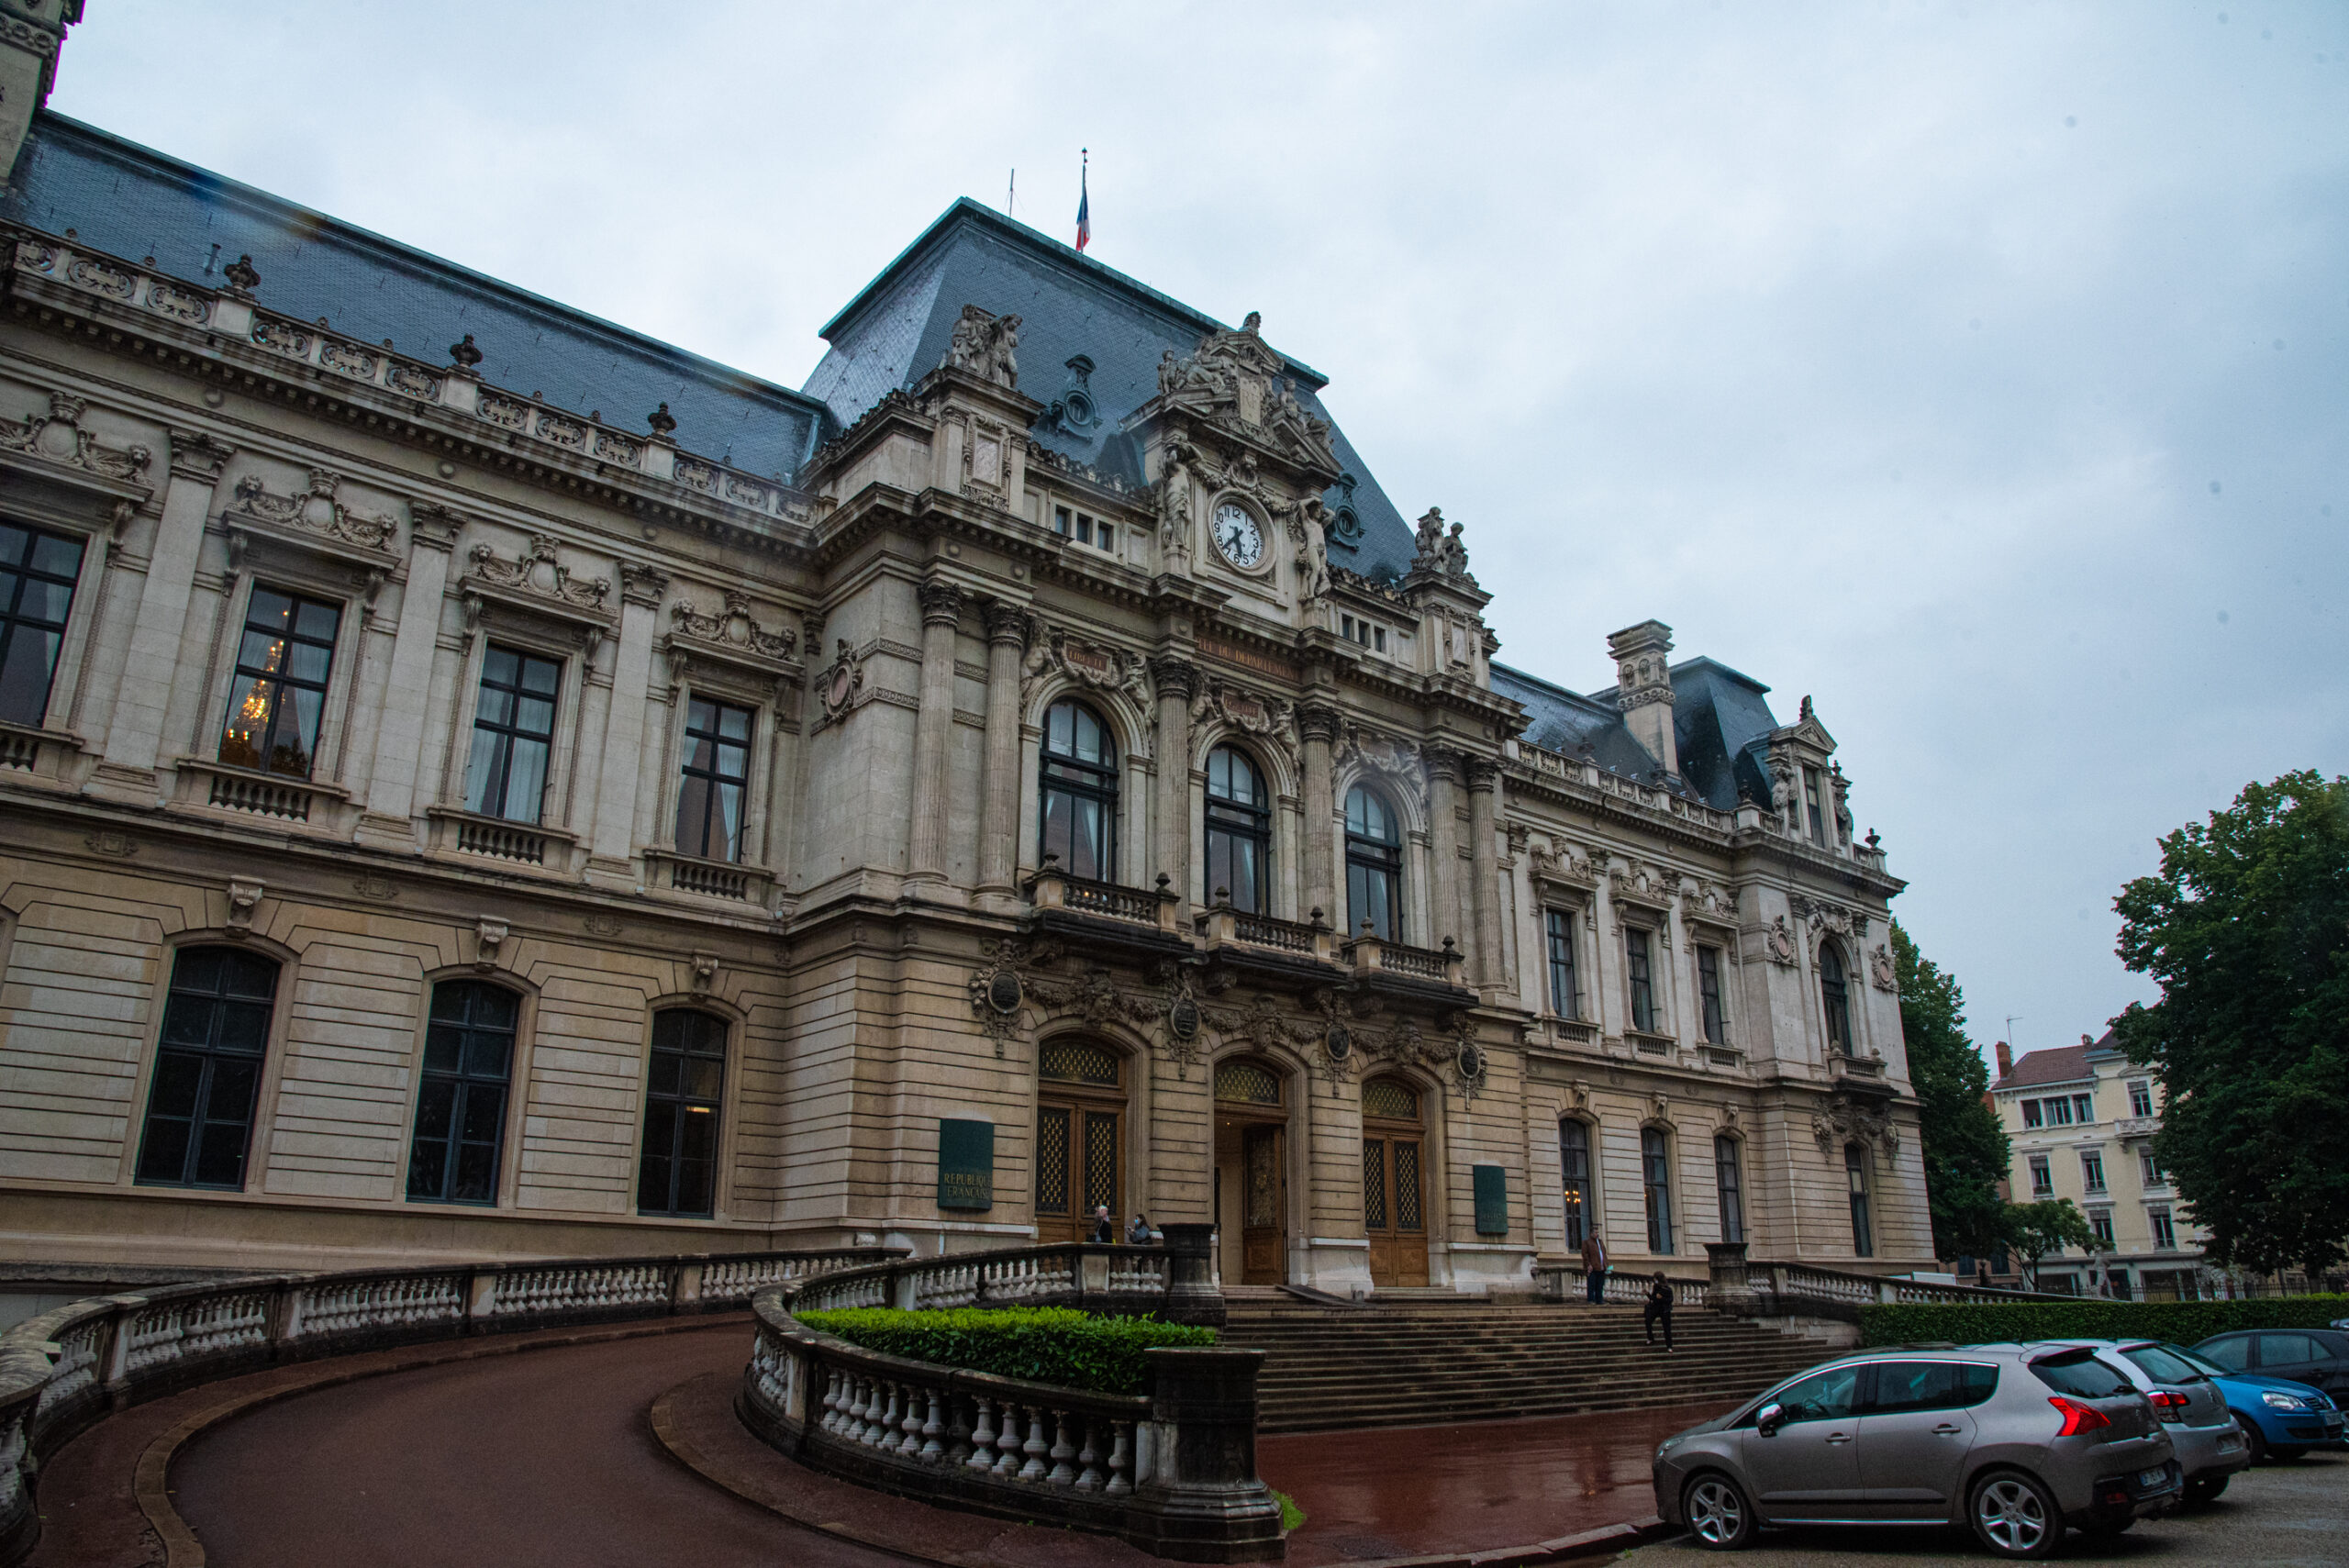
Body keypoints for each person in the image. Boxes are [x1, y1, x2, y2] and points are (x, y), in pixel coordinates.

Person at [1644, 1273, 1675, 1351]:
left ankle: (1669, 1346)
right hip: (1656, 1309)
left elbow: (1670, 1300)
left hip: (1665, 1310)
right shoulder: (1656, 1287)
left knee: (1667, 1328)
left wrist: (1662, 1298)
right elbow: (1653, 1298)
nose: (1655, 1281)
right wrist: (1648, 1294)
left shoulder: (1667, 1289)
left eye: (1656, 1279)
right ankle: (1650, 1338)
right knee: (1648, 1321)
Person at [1580, 1230, 1609, 1306]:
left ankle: (1599, 1299)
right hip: (1593, 1267)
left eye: (1598, 1232)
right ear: (1591, 1234)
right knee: (1592, 1284)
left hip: (1601, 1267)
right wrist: (1588, 1265)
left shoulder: (1600, 1242)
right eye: (1595, 1232)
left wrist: (1606, 1265)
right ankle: (1591, 1299)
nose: (1597, 1234)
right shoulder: (1587, 1242)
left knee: (1600, 1285)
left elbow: (1604, 1254)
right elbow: (1585, 1255)